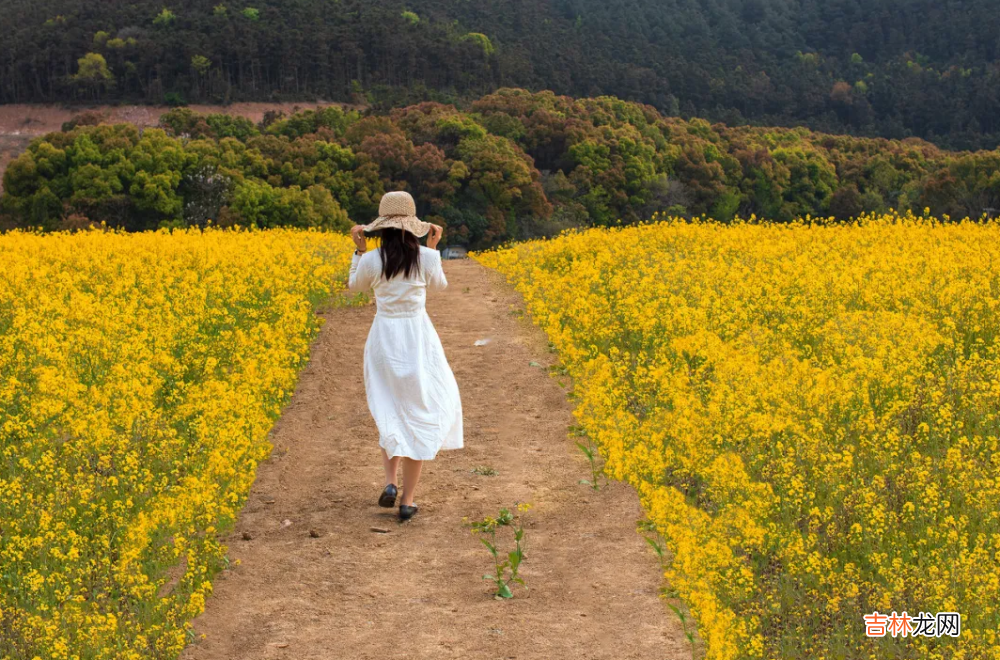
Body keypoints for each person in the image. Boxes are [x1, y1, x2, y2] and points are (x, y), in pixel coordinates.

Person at [347, 191, 464, 521]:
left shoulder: (372, 259)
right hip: (417, 338)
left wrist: (359, 250)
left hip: (384, 337)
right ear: (413, 226)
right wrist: (434, 247)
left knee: (390, 407)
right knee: (419, 409)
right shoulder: (425, 257)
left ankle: (389, 482)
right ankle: (408, 500)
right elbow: (439, 286)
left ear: (381, 227)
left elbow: (355, 287)